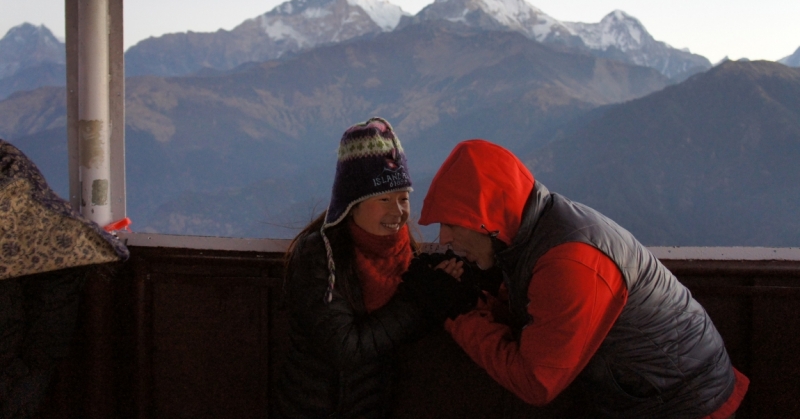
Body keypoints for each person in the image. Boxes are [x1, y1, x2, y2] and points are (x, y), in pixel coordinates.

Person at [419, 139, 750, 419]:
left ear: (487, 220)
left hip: (682, 405)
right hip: (656, 393)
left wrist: (460, 313)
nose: (444, 238)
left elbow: (536, 383)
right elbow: (541, 317)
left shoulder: (569, 261)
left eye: (451, 223)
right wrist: (481, 299)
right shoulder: (534, 232)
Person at [274, 117, 477, 419]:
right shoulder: (320, 255)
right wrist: (420, 298)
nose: (398, 213)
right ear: (351, 203)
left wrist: (442, 291)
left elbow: (400, 330)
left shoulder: (404, 252)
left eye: (404, 199)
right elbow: (345, 349)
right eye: (384, 199)